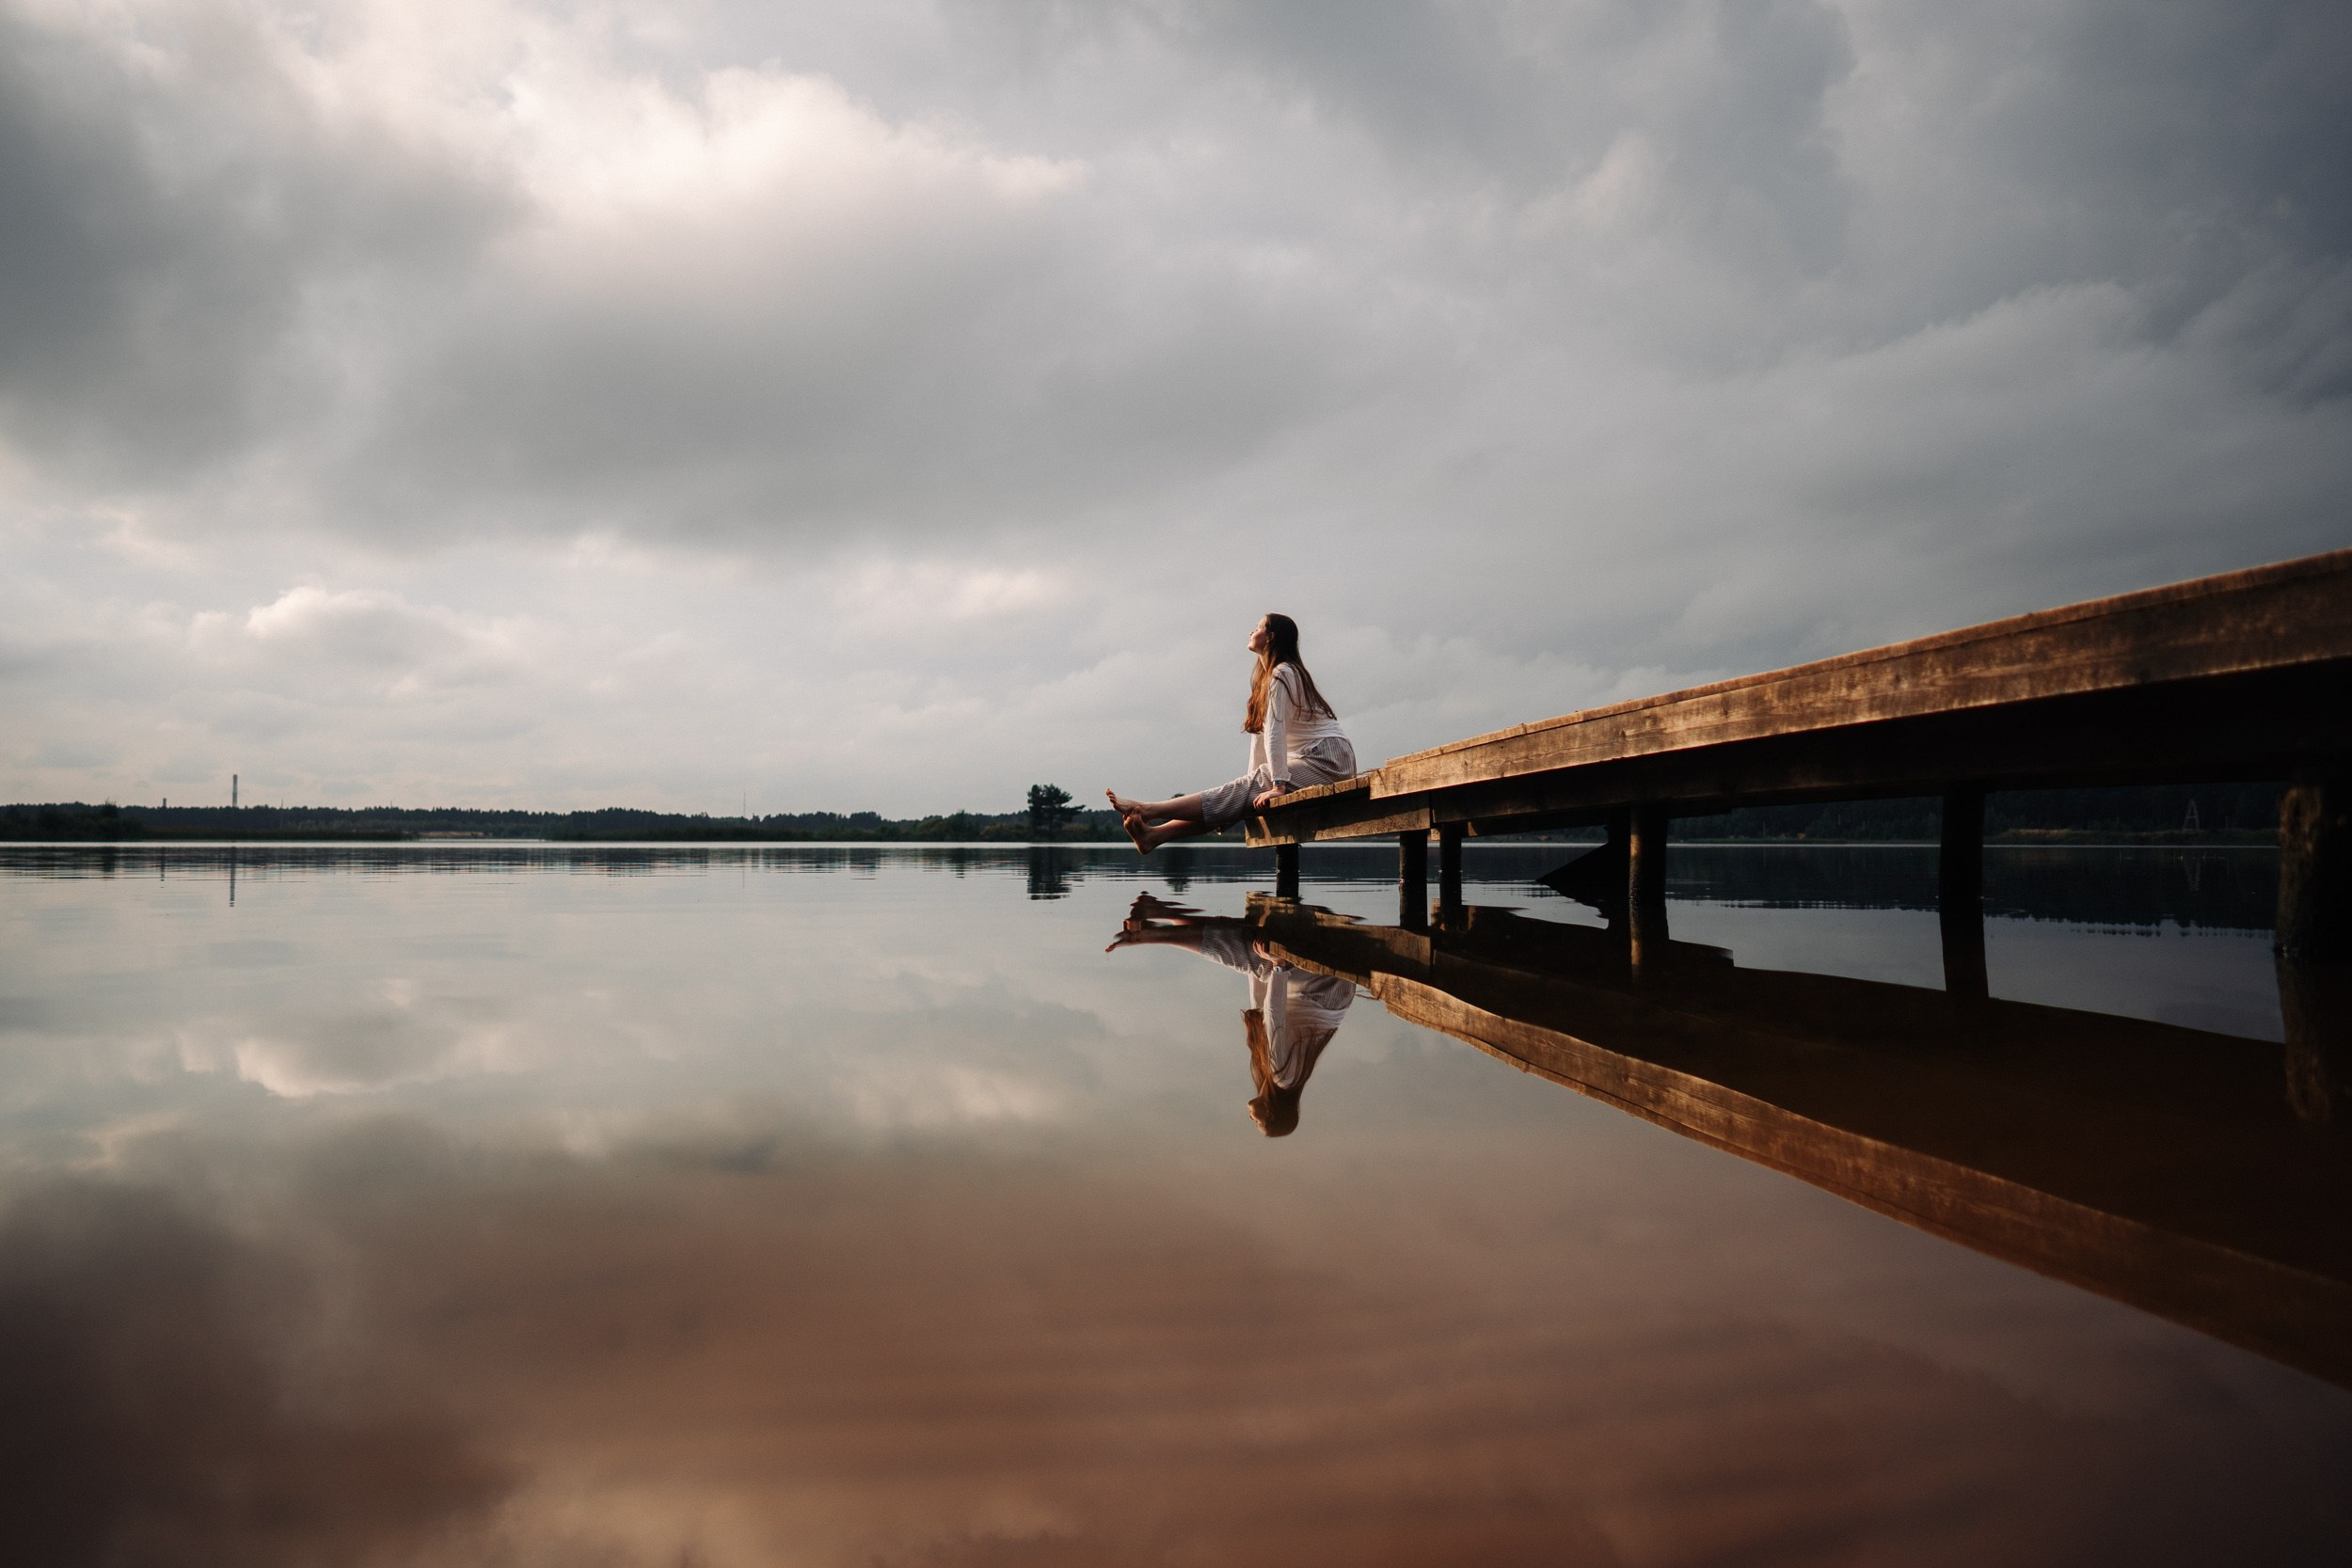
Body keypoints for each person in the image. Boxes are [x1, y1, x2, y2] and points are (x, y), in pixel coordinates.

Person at [1105, 892, 1354, 1137]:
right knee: (1250, 956)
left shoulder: (1275, 1075)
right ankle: (1146, 936)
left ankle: (1159, 915)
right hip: (1327, 988)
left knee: (1250, 950)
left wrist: (1258, 968)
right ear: (1271, 1112)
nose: (1251, 1119)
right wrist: (1276, 965)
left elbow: (1260, 1010)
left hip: (1314, 993)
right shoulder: (1284, 1076)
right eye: (1257, 1123)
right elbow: (1274, 1016)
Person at [1105, 613, 1357, 853]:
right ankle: (1155, 836)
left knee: (1249, 789)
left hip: (1329, 760)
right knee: (1244, 793)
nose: (1252, 631)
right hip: (1306, 759)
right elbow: (1261, 739)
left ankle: (1149, 810)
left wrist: (1277, 786)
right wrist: (1252, 786)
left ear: (1270, 637)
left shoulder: (1284, 672)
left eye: (1258, 627)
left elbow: (1276, 732)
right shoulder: (1266, 679)